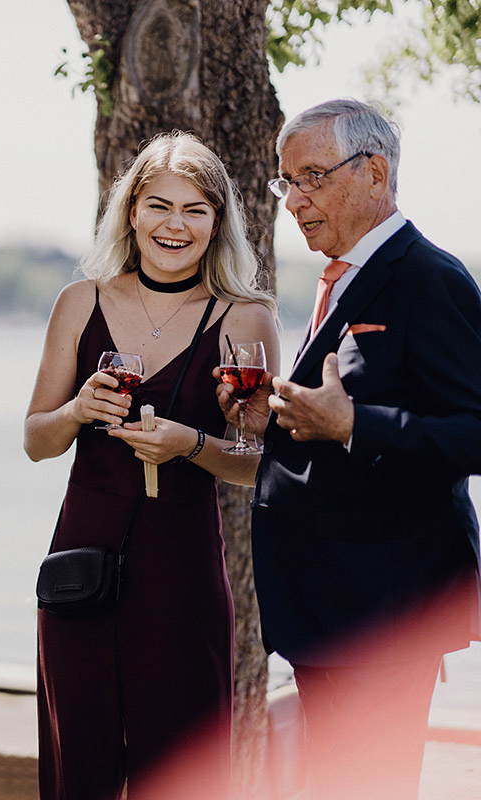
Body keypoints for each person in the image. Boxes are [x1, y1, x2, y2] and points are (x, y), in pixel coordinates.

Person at [223, 98, 481, 800]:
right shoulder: (342, 277)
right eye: (285, 183)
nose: (294, 201)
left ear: (374, 172)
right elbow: (335, 415)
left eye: (310, 177)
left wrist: (353, 426)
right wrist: (271, 415)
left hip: (385, 613)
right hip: (326, 608)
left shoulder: (430, 279)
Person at [24, 131, 280, 800]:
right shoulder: (80, 302)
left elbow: (261, 465)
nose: (175, 225)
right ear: (132, 211)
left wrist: (192, 444)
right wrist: (79, 409)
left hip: (183, 578)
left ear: (218, 221)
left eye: (196, 210)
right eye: (159, 206)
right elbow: (36, 440)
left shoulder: (243, 318)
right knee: (78, 768)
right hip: (81, 567)